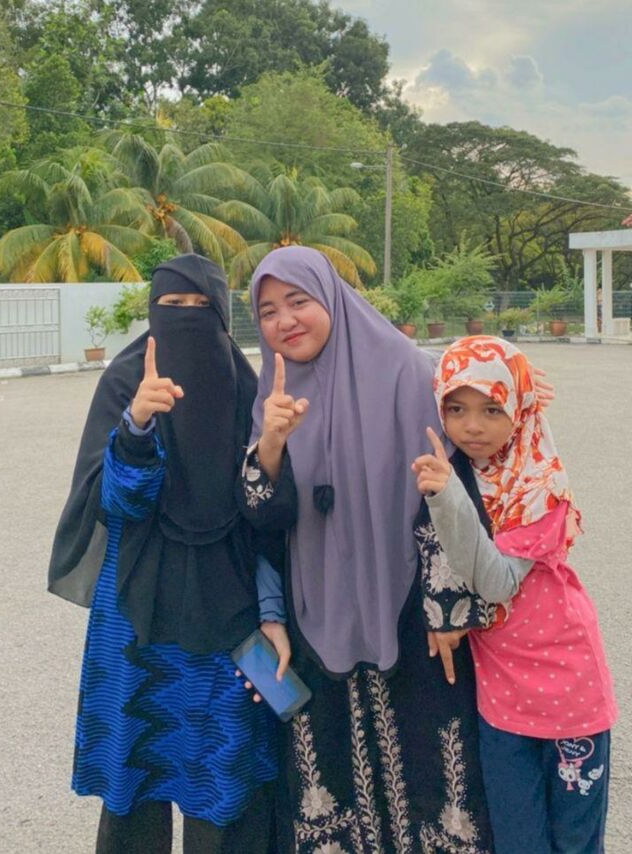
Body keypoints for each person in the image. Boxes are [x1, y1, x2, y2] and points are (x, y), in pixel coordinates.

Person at [237, 246, 495, 854]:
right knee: (328, 767)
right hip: (315, 606)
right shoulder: (271, 396)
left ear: (332, 298)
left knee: (432, 761)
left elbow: (450, 491)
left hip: (409, 607)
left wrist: (446, 608)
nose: (284, 321)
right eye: (268, 311)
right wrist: (270, 444)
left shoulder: (408, 372)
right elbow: (262, 522)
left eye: (298, 301)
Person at [48, 254, 290, 854]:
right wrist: (136, 427)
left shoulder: (249, 391)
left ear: (222, 316)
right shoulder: (126, 382)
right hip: (135, 615)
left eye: (201, 307)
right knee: (135, 774)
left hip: (230, 612)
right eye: (172, 307)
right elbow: (116, 505)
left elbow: (265, 520)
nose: (186, 318)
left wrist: (273, 612)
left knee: (228, 775)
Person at [412, 335, 617, 854]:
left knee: (575, 841)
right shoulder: (462, 475)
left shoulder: (540, 489)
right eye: (455, 409)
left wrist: (448, 500)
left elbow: (497, 581)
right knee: (518, 841)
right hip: (502, 701)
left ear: (521, 408)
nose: (472, 426)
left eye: (492, 408)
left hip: (569, 695)